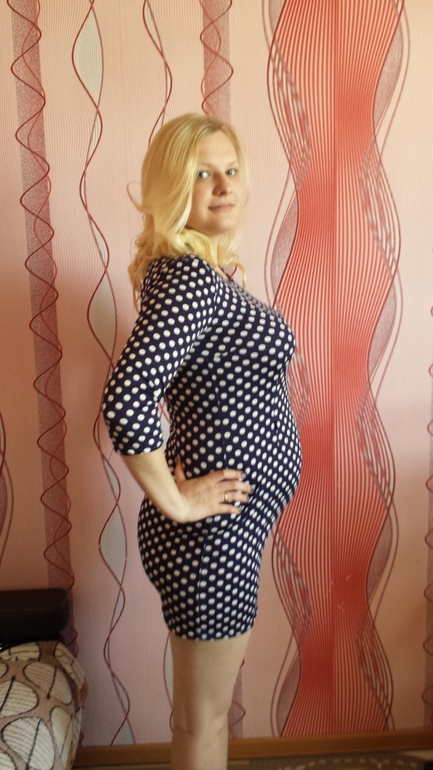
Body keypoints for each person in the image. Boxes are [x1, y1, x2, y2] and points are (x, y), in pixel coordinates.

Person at [103, 113, 302, 770]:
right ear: (172, 187)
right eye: (201, 173)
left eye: (231, 170)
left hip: (225, 535)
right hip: (210, 539)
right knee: (202, 718)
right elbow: (126, 399)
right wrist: (178, 501)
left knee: (203, 713)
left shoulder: (204, 276)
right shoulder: (188, 278)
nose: (223, 185)